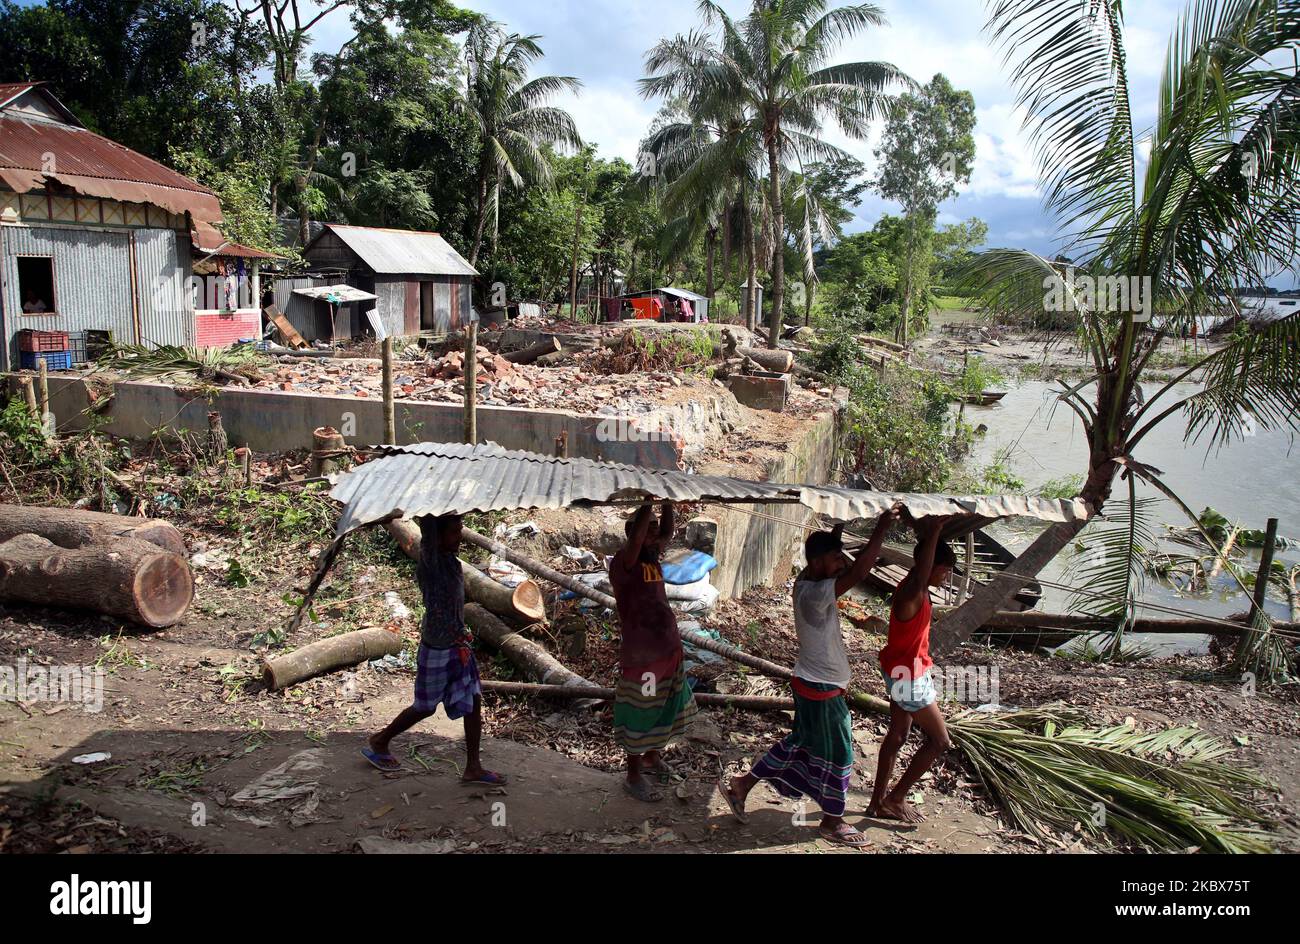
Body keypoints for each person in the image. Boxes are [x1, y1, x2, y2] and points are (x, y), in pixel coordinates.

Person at [720, 504, 904, 848]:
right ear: (819, 562)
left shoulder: (807, 579)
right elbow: (860, 572)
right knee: (841, 754)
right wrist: (881, 527)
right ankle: (832, 822)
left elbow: (829, 556)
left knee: (799, 743)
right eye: (836, 559)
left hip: (810, 681)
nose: (841, 564)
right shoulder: (817, 594)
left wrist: (839, 522)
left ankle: (742, 785)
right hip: (821, 687)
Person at [363, 513, 506, 785]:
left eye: (460, 530)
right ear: (437, 537)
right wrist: (430, 503)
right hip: (438, 648)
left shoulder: (452, 563)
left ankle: (473, 767)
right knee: (425, 707)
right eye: (454, 531)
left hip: (457, 646)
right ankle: (380, 741)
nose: (459, 536)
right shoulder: (432, 563)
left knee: (474, 700)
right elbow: (429, 529)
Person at [867, 515, 956, 823]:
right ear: (930, 566)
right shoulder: (913, 590)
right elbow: (923, 570)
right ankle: (895, 798)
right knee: (940, 741)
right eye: (944, 570)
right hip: (908, 676)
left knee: (898, 735)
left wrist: (935, 535)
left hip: (899, 670)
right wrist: (934, 532)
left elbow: (923, 570)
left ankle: (877, 802)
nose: (946, 576)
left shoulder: (913, 587)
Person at [609, 501, 697, 802]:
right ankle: (632, 775)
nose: (654, 535)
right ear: (632, 532)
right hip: (642, 655)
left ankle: (652, 756)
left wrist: (667, 499)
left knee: (666, 705)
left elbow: (668, 531)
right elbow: (637, 539)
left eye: (655, 532)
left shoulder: (651, 557)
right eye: (648, 530)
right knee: (640, 711)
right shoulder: (625, 562)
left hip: (668, 646)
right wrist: (648, 498)